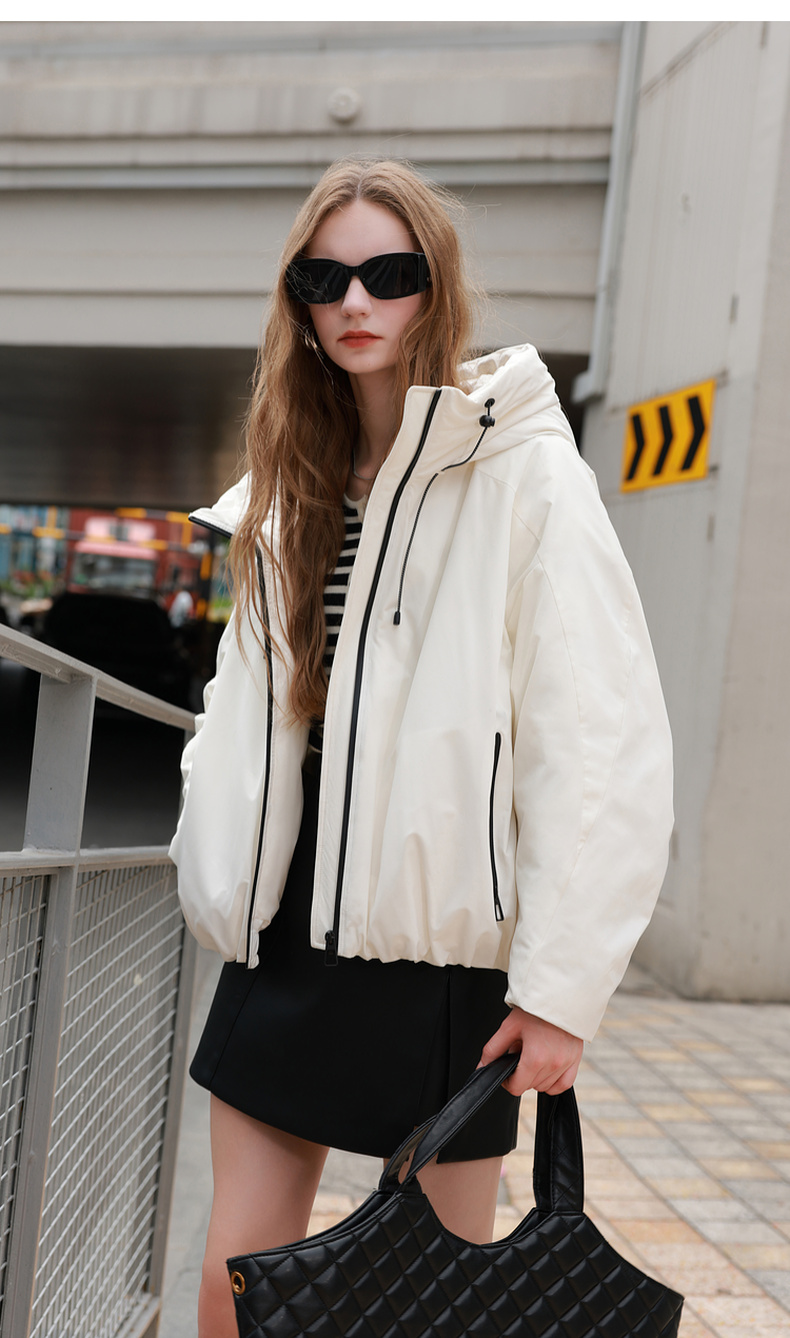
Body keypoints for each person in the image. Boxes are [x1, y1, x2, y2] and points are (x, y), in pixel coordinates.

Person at [169, 158, 673, 1338]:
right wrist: (214, 855)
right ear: (297, 301)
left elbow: (596, 738)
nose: (355, 302)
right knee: (234, 1284)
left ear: (432, 289)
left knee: (435, 1306)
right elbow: (244, 709)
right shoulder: (285, 488)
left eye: (387, 275)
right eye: (324, 279)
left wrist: (560, 991)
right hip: (283, 936)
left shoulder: (525, 474)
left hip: (443, 961)